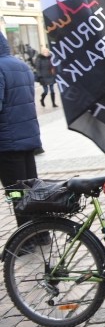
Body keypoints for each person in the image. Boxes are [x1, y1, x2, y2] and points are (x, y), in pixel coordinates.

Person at [0, 30, 42, 229]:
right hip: (28, 139)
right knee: (31, 188)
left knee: (16, 191)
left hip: (8, 144)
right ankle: (42, 232)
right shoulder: (22, 65)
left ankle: (26, 237)